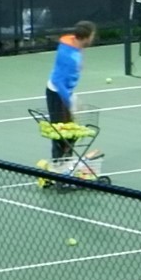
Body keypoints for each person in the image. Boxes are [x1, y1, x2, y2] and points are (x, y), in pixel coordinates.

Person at [40, 27, 93, 174]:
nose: (93, 39)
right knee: (63, 134)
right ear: (86, 37)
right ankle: (60, 169)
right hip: (59, 95)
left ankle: (63, 165)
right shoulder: (70, 58)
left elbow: (70, 39)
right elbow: (58, 81)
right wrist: (70, 101)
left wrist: (81, 55)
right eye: (92, 36)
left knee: (68, 132)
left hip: (61, 92)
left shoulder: (69, 42)